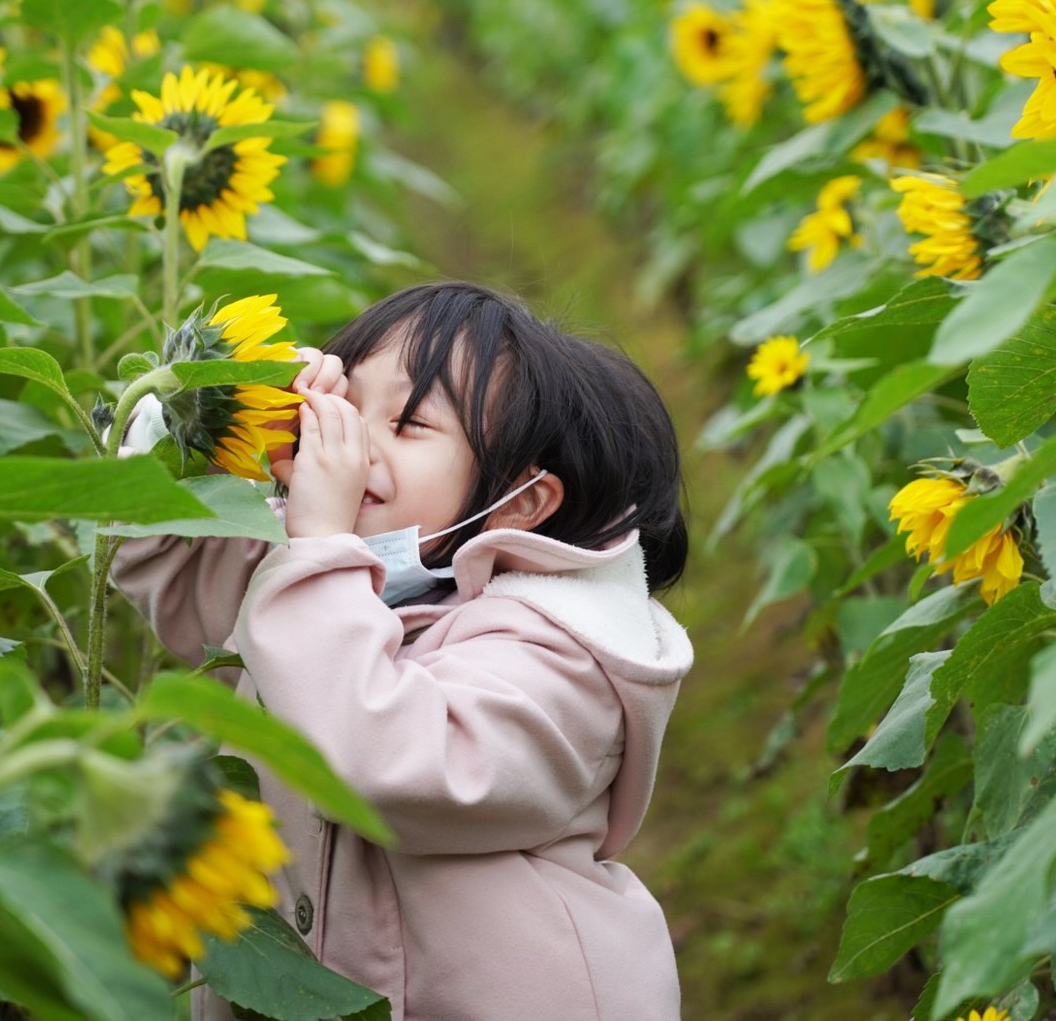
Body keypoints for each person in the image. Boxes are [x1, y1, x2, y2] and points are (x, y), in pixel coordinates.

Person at [111, 280, 693, 1020]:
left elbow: (389, 762)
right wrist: (210, 411)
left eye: (409, 421)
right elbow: (169, 567)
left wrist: (322, 545)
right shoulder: (330, 574)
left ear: (517, 502)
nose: (349, 436)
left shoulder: (561, 655)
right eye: (346, 402)